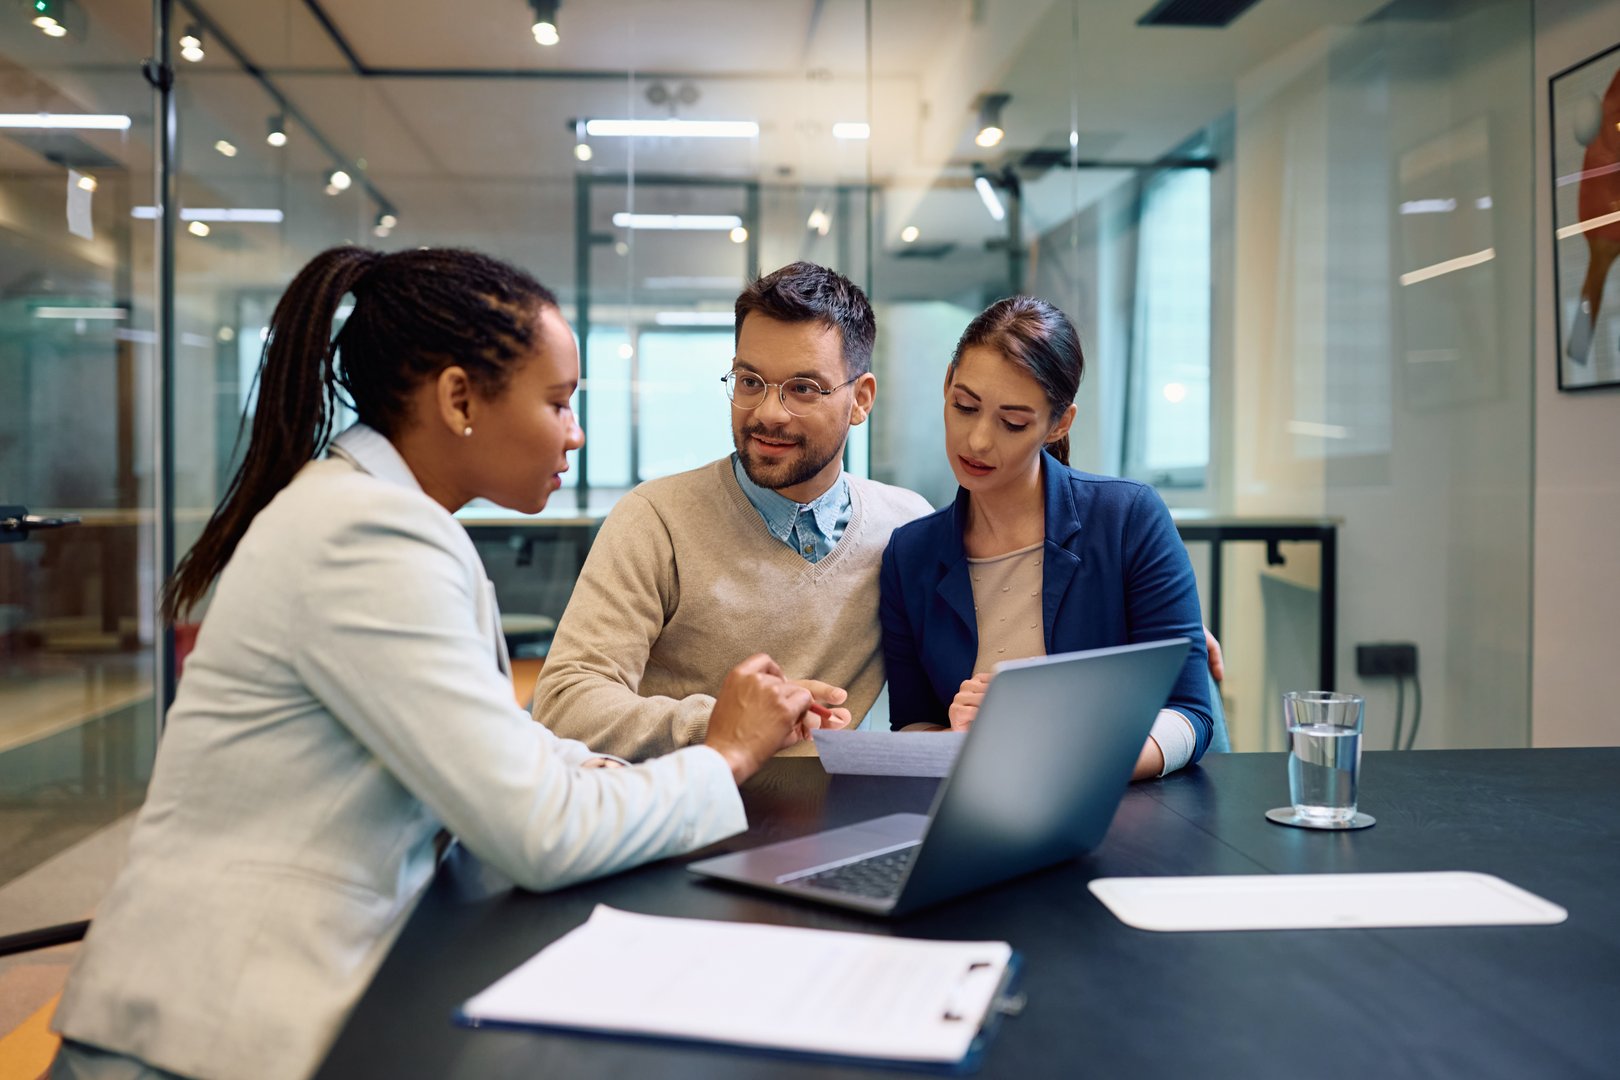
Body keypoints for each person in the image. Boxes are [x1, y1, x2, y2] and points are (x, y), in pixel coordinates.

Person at [50, 247, 813, 1080]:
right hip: (195, 1040)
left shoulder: (374, 514)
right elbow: (538, 833)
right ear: (459, 399)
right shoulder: (365, 536)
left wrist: (620, 767)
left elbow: (499, 747)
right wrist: (724, 755)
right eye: (558, 402)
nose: (575, 431)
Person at [535, 262, 932, 760]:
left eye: (803, 388)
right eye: (750, 381)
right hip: (689, 821)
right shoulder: (655, 520)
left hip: (841, 823)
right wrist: (724, 722)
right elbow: (563, 705)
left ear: (861, 400)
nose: (767, 412)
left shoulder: (907, 528)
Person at [879, 296, 1215, 779]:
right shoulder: (909, 555)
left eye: (1012, 422)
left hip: (1115, 815)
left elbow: (1189, 715)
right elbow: (913, 723)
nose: (977, 441)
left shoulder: (1127, 519)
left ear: (1059, 423)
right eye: (965, 406)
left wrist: (1057, 747)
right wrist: (958, 740)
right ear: (947, 382)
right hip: (975, 809)